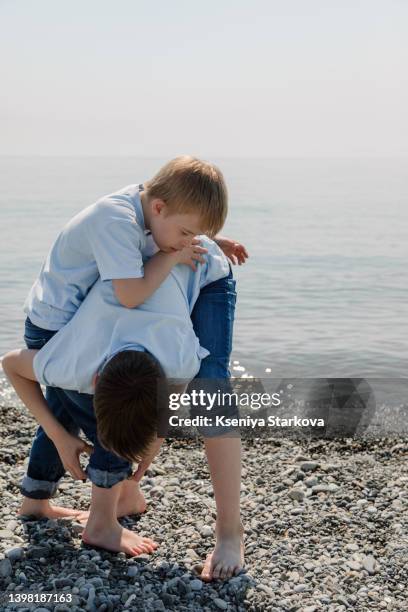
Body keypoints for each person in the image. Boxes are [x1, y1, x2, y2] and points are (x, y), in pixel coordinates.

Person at [3, 238, 244, 580]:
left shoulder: (181, 361)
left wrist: (154, 441)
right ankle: (121, 497)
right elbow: (11, 365)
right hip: (143, 270)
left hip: (202, 269)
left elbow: (171, 400)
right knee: (78, 395)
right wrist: (59, 436)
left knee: (212, 390)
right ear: (96, 382)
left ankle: (231, 531)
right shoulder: (73, 360)